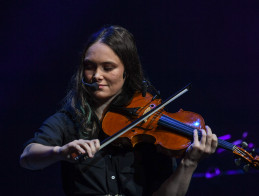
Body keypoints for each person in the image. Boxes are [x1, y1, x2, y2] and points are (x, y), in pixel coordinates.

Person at [20, 25, 218, 196]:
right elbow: (28, 157)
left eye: (108, 68)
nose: (96, 75)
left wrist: (189, 164)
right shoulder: (69, 120)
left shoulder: (150, 130)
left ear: (127, 71)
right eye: (90, 67)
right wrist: (59, 151)